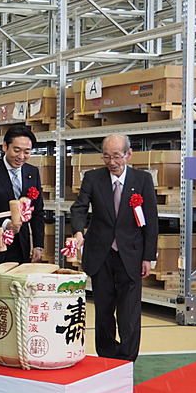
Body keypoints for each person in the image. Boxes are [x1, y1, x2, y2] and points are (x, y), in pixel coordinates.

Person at [70, 134, 158, 361]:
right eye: (106, 156)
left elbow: (151, 220)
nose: (111, 162)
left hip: (131, 253)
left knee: (129, 312)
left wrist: (148, 256)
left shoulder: (142, 180)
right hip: (101, 252)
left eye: (116, 156)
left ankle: (127, 359)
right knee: (104, 308)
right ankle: (107, 356)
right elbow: (79, 207)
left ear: (128, 155)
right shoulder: (92, 178)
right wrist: (79, 232)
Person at [0, 124, 45, 304]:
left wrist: (38, 245)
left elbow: (38, 211)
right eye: (17, 150)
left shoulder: (32, 172)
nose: (21, 157)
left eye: (27, 152)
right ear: (5, 146)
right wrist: (8, 225)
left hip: (19, 246)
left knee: (17, 299)